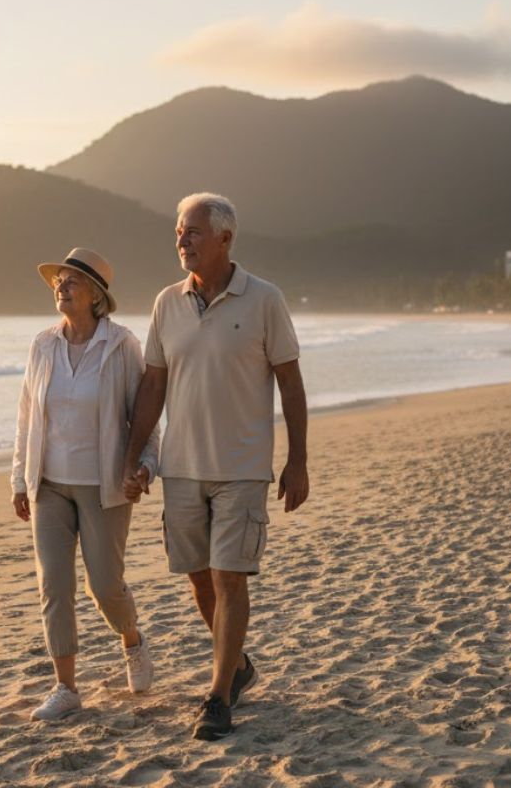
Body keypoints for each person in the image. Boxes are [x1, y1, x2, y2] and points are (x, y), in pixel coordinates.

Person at [122, 193, 309, 741]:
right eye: (180, 231)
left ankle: (218, 694)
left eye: (194, 232)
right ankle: (239, 666)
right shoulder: (166, 303)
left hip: (243, 467)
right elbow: (153, 384)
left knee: (231, 577)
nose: (182, 239)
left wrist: (297, 461)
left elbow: (291, 383)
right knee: (199, 577)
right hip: (181, 466)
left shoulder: (265, 300)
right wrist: (134, 458)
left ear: (225, 239)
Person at [11, 247, 161, 722]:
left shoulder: (121, 346)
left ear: (96, 294)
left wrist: (145, 465)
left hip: (103, 485)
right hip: (49, 484)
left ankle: (132, 641)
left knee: (104, 586)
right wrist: (20, 478)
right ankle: (66, 687)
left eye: (72, 280)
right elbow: (27, 416)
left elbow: (144, 414)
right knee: (53, 585)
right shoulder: (42, 345)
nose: (62, 286)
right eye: (59, 280)